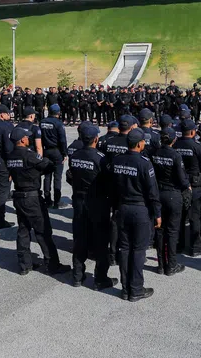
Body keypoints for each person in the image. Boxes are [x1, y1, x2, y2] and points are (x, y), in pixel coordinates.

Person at [107, 128, 162, 301]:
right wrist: (157, 213)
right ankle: (136, 289)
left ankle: (125, 289)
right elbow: (153, 192)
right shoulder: (145, 163)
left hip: (122, 208)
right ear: (139, 144)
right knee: (138, 250)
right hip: (139, 210)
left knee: (124, 249)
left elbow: (113, 187)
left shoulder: (117, 160)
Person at [7, 127, 70, 276]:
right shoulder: (30, 156)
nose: (28, 139)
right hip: (32, 198)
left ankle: (24, 265)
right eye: (27, 137)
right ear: (22, 140)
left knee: (23, 230)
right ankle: (53, 265)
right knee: (43, 232)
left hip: (18, 196)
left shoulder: (10, 156)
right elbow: (48, 166)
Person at [67, 124, 116, 289]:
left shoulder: (75, 156)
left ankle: (77, 276)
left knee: (80, 239)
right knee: (101, 241)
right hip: (97, 202)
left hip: (79, 200)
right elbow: (109, 182)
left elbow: (70, 177)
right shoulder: (100, 158)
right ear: (96, 139)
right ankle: (100, 278)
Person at [151, 127, 189, 275]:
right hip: (172, 194)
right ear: (174, 140)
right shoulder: (175, 155)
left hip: (158, 193)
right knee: (172, 232)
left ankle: (161, 265)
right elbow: (181, 178)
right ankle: (171, 265)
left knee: (159, 230)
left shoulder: (155, 153)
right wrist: (187, 185)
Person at [174, 119, 201, 256]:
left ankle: (179, 245)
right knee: (195, 216)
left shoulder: (175, 144)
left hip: (179, 183)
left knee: (180, 216)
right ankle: (195, 247)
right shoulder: (197, 146)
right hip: (194, 183)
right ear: (193, 132)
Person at [40, 104, 68, 209]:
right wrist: (65, 153)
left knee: (47, 176)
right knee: (57, 177)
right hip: (56, 151)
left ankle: (47, 200)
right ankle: (57, 201)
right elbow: (62, 140)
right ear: (58, 112)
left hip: (46, 150)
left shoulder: (42, 122)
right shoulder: (58, 123)